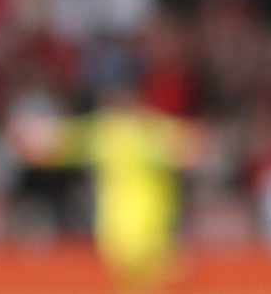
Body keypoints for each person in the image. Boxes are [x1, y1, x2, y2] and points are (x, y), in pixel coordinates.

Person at [12, 82, 208, 287]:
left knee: (140, 271)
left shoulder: (123, 132)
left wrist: (33, 139)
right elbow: (192, 145)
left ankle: (169, 264)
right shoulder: (134, 130)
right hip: (126, 221)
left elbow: (59, 141)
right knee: (137, 275)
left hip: (142, 220)